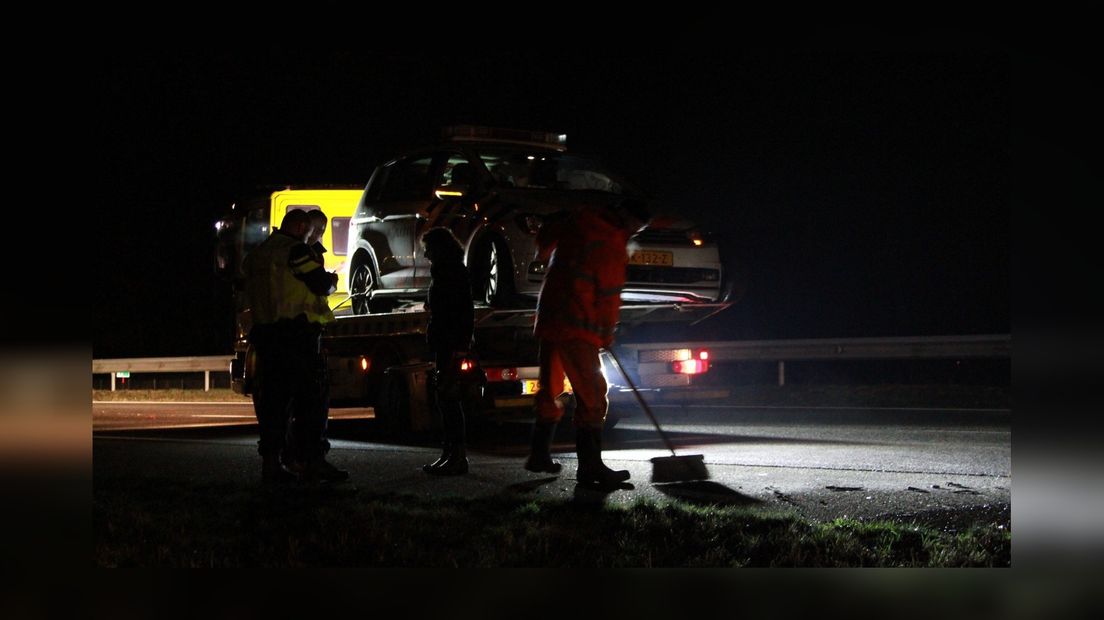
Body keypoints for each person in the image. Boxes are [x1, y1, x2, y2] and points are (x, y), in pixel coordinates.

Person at [523, 198, 651, 486]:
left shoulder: (579, 220)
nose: (635, 233)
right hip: (578, 327)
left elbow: (544, 244)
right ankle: (591, 468)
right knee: (593, 396)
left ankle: (539, 454)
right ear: (629, 220)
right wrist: (605, 334)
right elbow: (608, 295)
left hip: (550, 318)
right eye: (638, 227)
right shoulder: (610, 241)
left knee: (551, 389)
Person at [242, 209, 348, 484]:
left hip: (265, 334)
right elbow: (321, 284)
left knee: (273, 404)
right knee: (311, 401)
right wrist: (334, 279)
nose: (312, 235)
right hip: (297, 336)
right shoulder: (296, 250)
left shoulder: (258, 255)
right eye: (311, 230)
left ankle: (272, 464)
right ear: (301, 226)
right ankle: (313, 461)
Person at [420, 227, 476, 475]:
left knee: (449, 399)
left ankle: (456, 455)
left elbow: (461, 312)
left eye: (428, 249)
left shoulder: (450, 273)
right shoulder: (448, 271)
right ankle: (450, 453)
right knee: (445, 399)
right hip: (446, 342)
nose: (426, 255)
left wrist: (459, 347)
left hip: (450, 344)